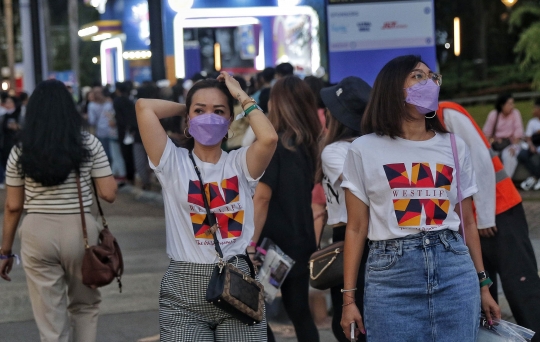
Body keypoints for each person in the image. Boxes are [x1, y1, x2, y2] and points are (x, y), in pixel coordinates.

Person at [340, 55, 500, 341]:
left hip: (454, 270)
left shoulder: (454, 145)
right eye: (417, 76)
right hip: (391, 279)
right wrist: (348, 300)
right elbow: (355, 228)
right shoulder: (363, 149)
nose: (429, 83)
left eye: (432, 77)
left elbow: (468, 222)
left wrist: (483, 285)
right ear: (392, 88)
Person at [135, 72, 277, 341]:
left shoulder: (240, 164)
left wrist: (240, 96)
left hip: (236, 283)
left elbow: (269, 138)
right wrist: (189, 105)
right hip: (182, 295)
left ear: (230, 120)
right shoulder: (171, 161)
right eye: (199, 111)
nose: (208, 117)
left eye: (218, 111)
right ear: (188, 120)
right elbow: (144, 106)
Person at [0, 79, 117, 342]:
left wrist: (5, 252)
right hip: (81, 231)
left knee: (49, 315)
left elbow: (13, 206)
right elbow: (108, 194)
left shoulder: (20, 150)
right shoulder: (89, 143)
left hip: (36, 232)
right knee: (85, 305)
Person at [436, 101, 540, 341]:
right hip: (467, 221)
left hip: (496, 211)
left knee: (520, 287)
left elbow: (480, 159)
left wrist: (483, 216)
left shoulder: (445, 112)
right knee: (482, 294)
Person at [251, 76, 322, 342]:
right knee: (299, 311)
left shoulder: (276, 147)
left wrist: (249, 243)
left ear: (277, 105)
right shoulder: (308, 144)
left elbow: (262, 198)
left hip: (272, 248)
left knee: (254, 312)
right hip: (301, 241)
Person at [317, 76, 371, 342]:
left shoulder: (336, 151)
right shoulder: (344, 151)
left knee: (352, 322)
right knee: (355, 321)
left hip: (352, 236)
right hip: (356, 235)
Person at [482, 93, 524, 178]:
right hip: (496, 144)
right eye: (509, 104)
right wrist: (489, 145)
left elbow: (518, 132)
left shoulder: (515, 113)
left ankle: (507, 181)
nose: (512, 106)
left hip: (511, 143)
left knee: (509, 156)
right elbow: (487, 134)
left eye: (512, 103)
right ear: (502, 105)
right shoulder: (494, 115)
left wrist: (514, 146)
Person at [113, 82, 137, 185]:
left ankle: (129, 177)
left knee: (125, 155)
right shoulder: (130, 100)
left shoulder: (117, 101)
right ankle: (132, 176)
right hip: (131, 130)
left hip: (122, 131)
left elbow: (118, 117)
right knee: (131, 154)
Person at [518, 98, 540, 190]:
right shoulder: (532, 122)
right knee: (522, 155)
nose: (533, 110)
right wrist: (531, 146)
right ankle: (537, 175)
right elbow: (528, 137)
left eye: (535, 108)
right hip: (534, 145)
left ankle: (535, 177)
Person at [87, 85, 114, 158]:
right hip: (108, 132)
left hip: (106, 131)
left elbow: (92, 121)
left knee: (106, 154)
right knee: (109, 154)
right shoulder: (109, 103)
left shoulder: (92, 105)